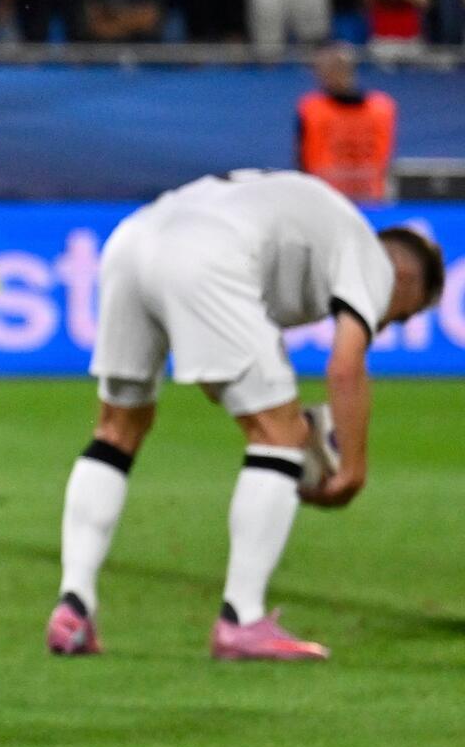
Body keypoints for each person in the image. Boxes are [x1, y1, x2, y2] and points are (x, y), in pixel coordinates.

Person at [47, 170, 443, 661]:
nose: (387, 324)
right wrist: (353, 471)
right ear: (407, 280)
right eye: (401, 315)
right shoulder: (373, 258)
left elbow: (217, 366)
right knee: (281, 437)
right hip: (207, 254)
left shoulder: (318, 227)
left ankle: (73, 607)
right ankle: (242, 619)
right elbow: (345, 368)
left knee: (116, 430)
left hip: (132, 241)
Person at [295, 43, 396, 202]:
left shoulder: (382, 108)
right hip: (324, 199)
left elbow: (386, 158)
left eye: (335, 67)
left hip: (370, 199)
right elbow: (301, 158)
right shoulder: (311, 109)